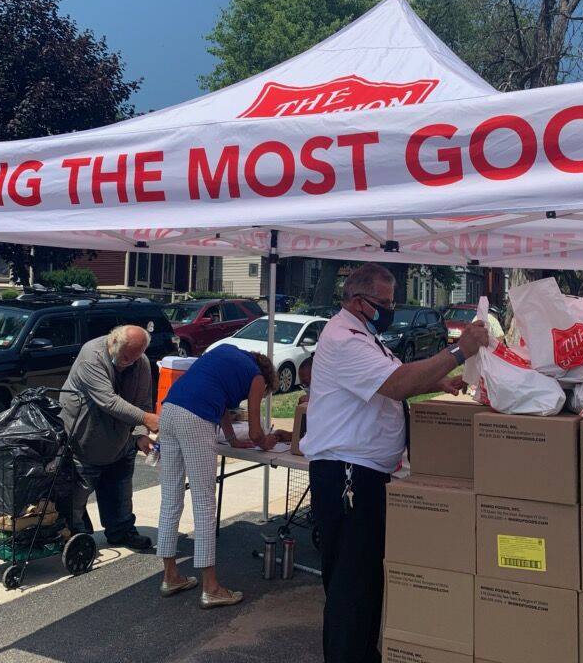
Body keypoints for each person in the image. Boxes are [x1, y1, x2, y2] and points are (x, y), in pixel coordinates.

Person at [300, 264, 490, 663]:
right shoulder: (345, 339)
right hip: (347, 477)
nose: (390, 310)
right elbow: (398, 384)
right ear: (357, 301)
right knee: (351, 588)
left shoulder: (364, 335)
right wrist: (459, 351)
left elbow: (393, 377)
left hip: (364, 474)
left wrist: (437, 381)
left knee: (365, 581)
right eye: (383, 303)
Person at [157, 343, 279, 608]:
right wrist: (268, 441)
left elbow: (221, 404)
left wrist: (232, 439)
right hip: (196, 418)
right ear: (267, 377)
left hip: (169, 411)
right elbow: (256, 432)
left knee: (170, 498)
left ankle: (170, 576)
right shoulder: (257, 378)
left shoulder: (225, 351)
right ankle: (211, 588)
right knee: (204, 503)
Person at [60, 325, 160, 550]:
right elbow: (108, 401)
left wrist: (140, 435)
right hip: (83, 440)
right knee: (76, 496)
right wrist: (146, 419)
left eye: (134, 358)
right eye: (125, 357)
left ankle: (122, 531)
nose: (129, 362)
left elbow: (143, 401)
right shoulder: (92, 356)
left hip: (120, 442)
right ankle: (77, 538)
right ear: (113, 342)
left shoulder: (140, 362)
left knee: (120, 492)